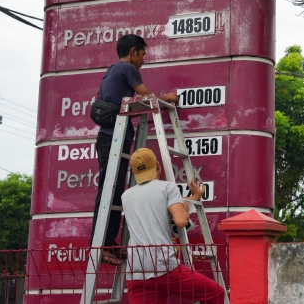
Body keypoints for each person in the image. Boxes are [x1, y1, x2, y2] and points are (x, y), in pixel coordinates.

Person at [90, 34, 178, 265]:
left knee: (115, 192)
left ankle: (108, 244)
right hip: (113, 139)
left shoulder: (111, 70)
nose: (143, 60)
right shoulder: (127, 69)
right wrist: (166, 98)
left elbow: (130, 106)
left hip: (111, 138)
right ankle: (101, 246)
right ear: (132, 51)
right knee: (109, 192)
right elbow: (148, 99)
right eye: (142, 54)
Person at [122, 148, 225, 304]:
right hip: (164, 267)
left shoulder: (126, 196)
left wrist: (188, 200)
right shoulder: (167, 187)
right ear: (157, 165)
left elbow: (154, 206)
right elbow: (180, 221)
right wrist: (189, 203)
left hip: (137, 271)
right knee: (215, 293)